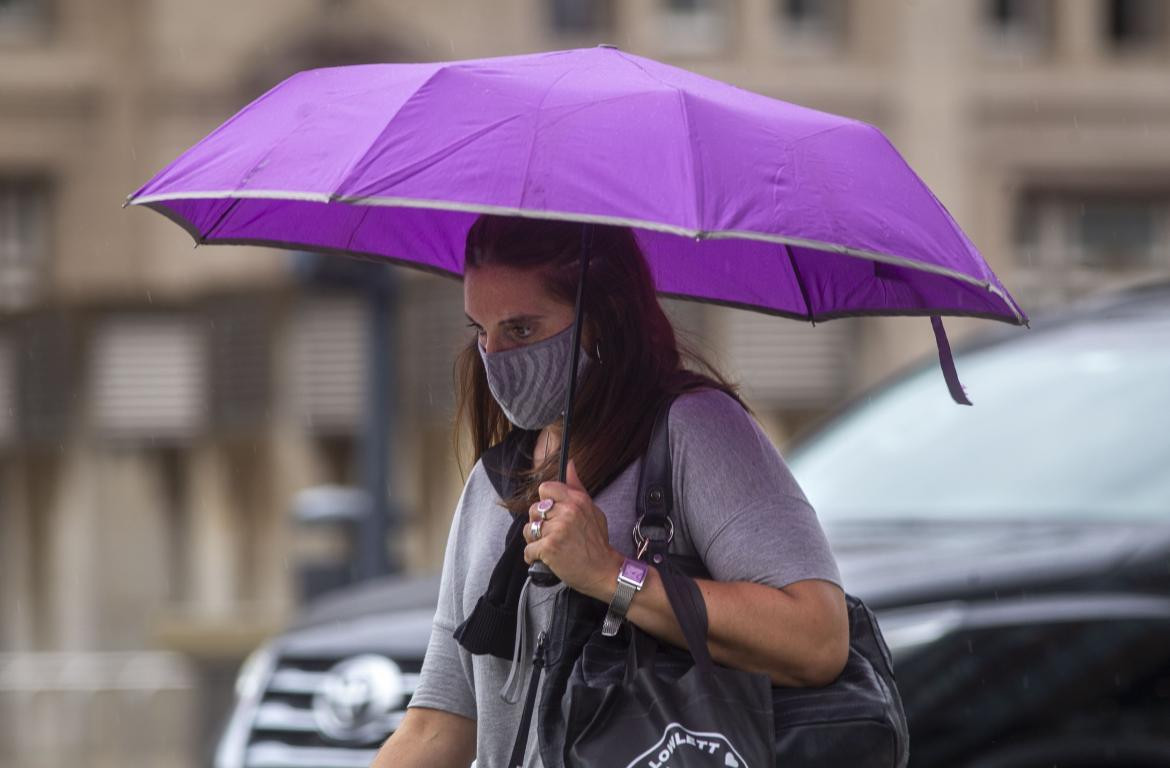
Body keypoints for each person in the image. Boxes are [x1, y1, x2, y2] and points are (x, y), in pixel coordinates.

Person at [371, 215, 848, 768]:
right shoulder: (493, 480)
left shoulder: (694, 433)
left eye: (521, 330)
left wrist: (609, 574)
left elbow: (817, 638)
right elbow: (441, 725)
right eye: (482, 331)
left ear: (598, 320)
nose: (496, 357)